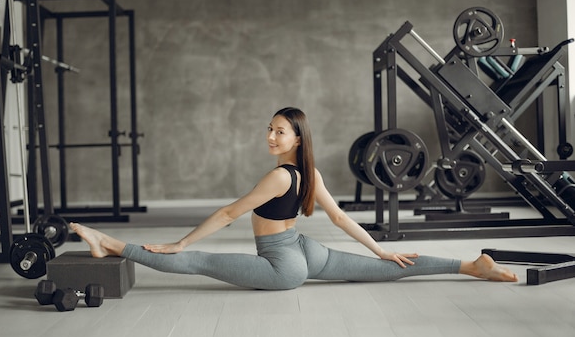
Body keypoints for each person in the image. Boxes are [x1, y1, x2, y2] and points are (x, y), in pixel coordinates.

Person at [71, 107, 517, 290]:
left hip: (284, 265)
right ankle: (469, 266)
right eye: (269, 129)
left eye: (278, 131)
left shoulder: (279, 177)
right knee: (382, 270)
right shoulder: (311, 173)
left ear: (296, 137)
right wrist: (381, 249)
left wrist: (181, 243)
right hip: (306, 250)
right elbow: (340, 218)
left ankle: (109, 242)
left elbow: (229, 212)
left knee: (200, 262)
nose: (269, 136)